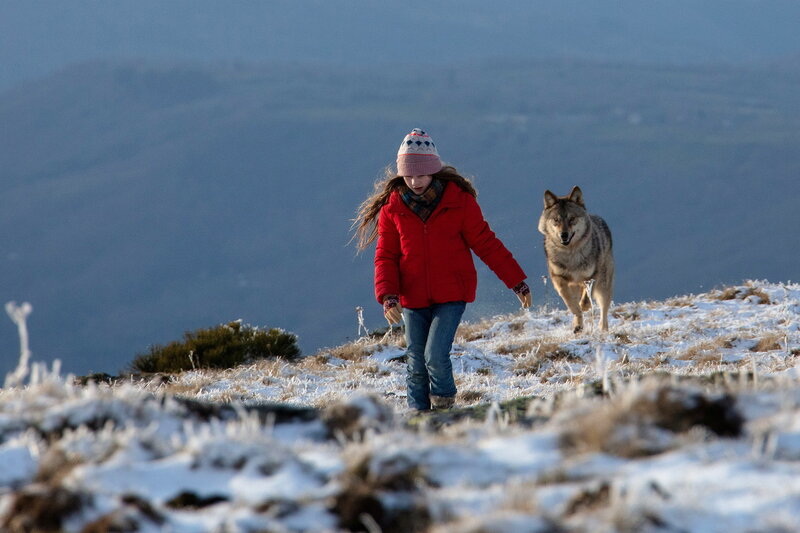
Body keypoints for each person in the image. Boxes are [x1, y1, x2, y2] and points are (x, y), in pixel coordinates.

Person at [353, 128, 531, 411]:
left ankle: (445, 407)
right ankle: (419, 417)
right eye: (408, 175)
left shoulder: (459, 202)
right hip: (412, 297)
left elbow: (486, 243)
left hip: (452, 293)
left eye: (421, 174)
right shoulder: (393, 209)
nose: (415, 181)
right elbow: (385, 255)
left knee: (434, 355)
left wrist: (516, 281)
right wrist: (388, 295)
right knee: (415, 362)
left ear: (434, 171)